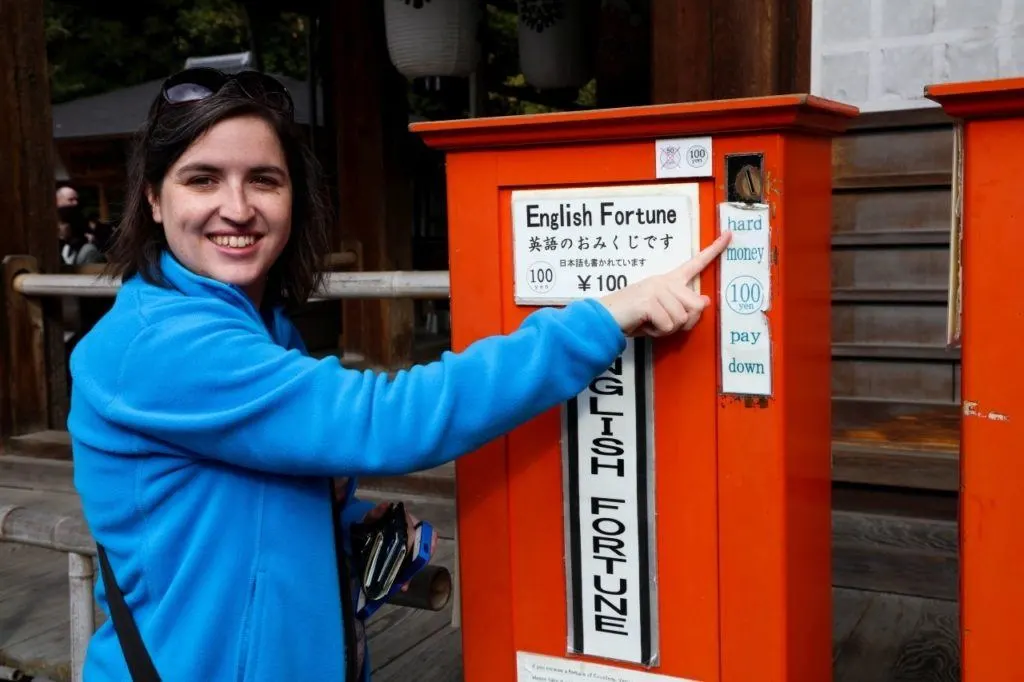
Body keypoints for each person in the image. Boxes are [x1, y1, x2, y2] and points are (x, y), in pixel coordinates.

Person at [68, 66, 731, 682]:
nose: (238, 207)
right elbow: (387, 420)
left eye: (264, 180)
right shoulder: (158, 345)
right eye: (203, 179)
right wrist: (601, 320)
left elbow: (217, 504)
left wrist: (347, 517)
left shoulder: (258, 327)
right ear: (154, 198)